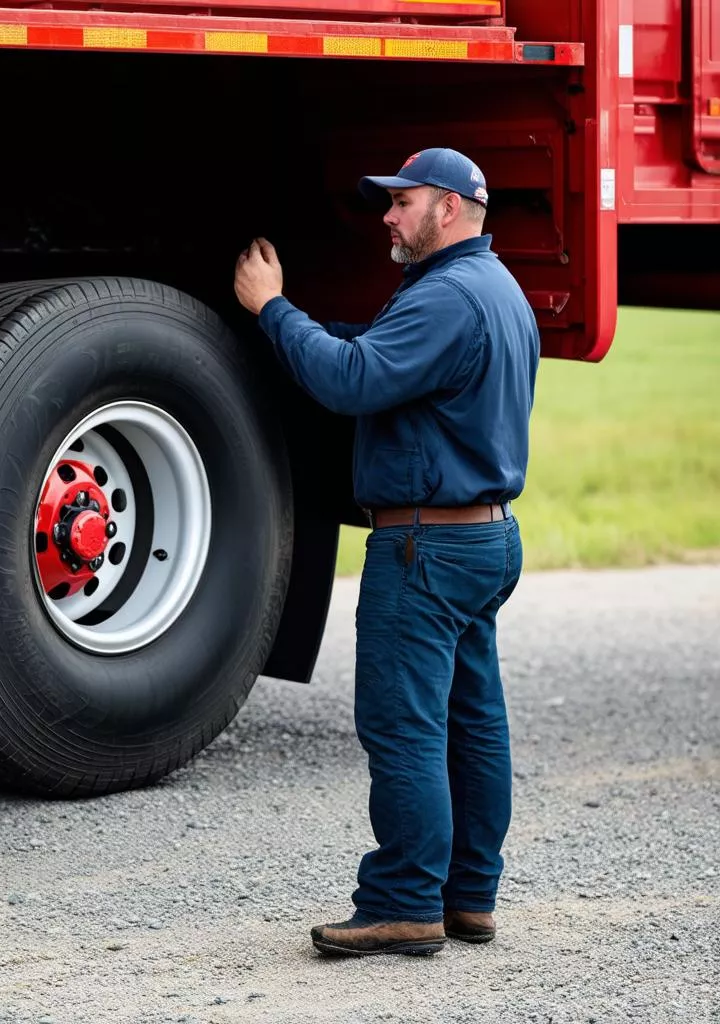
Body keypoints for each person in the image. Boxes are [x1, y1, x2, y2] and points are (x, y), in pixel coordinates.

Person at [233, 148, 540, 957]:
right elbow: (377, 354)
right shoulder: (496, 288)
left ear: (445, 207)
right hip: (483, 537)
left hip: (424, 548)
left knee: (403, 727)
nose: (388, 217)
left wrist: (273, 310)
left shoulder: (446, 297)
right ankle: (469, 897)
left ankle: (404, 902)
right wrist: (309, 330)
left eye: (401, 203)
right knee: (473, 724)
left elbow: (351, 382)